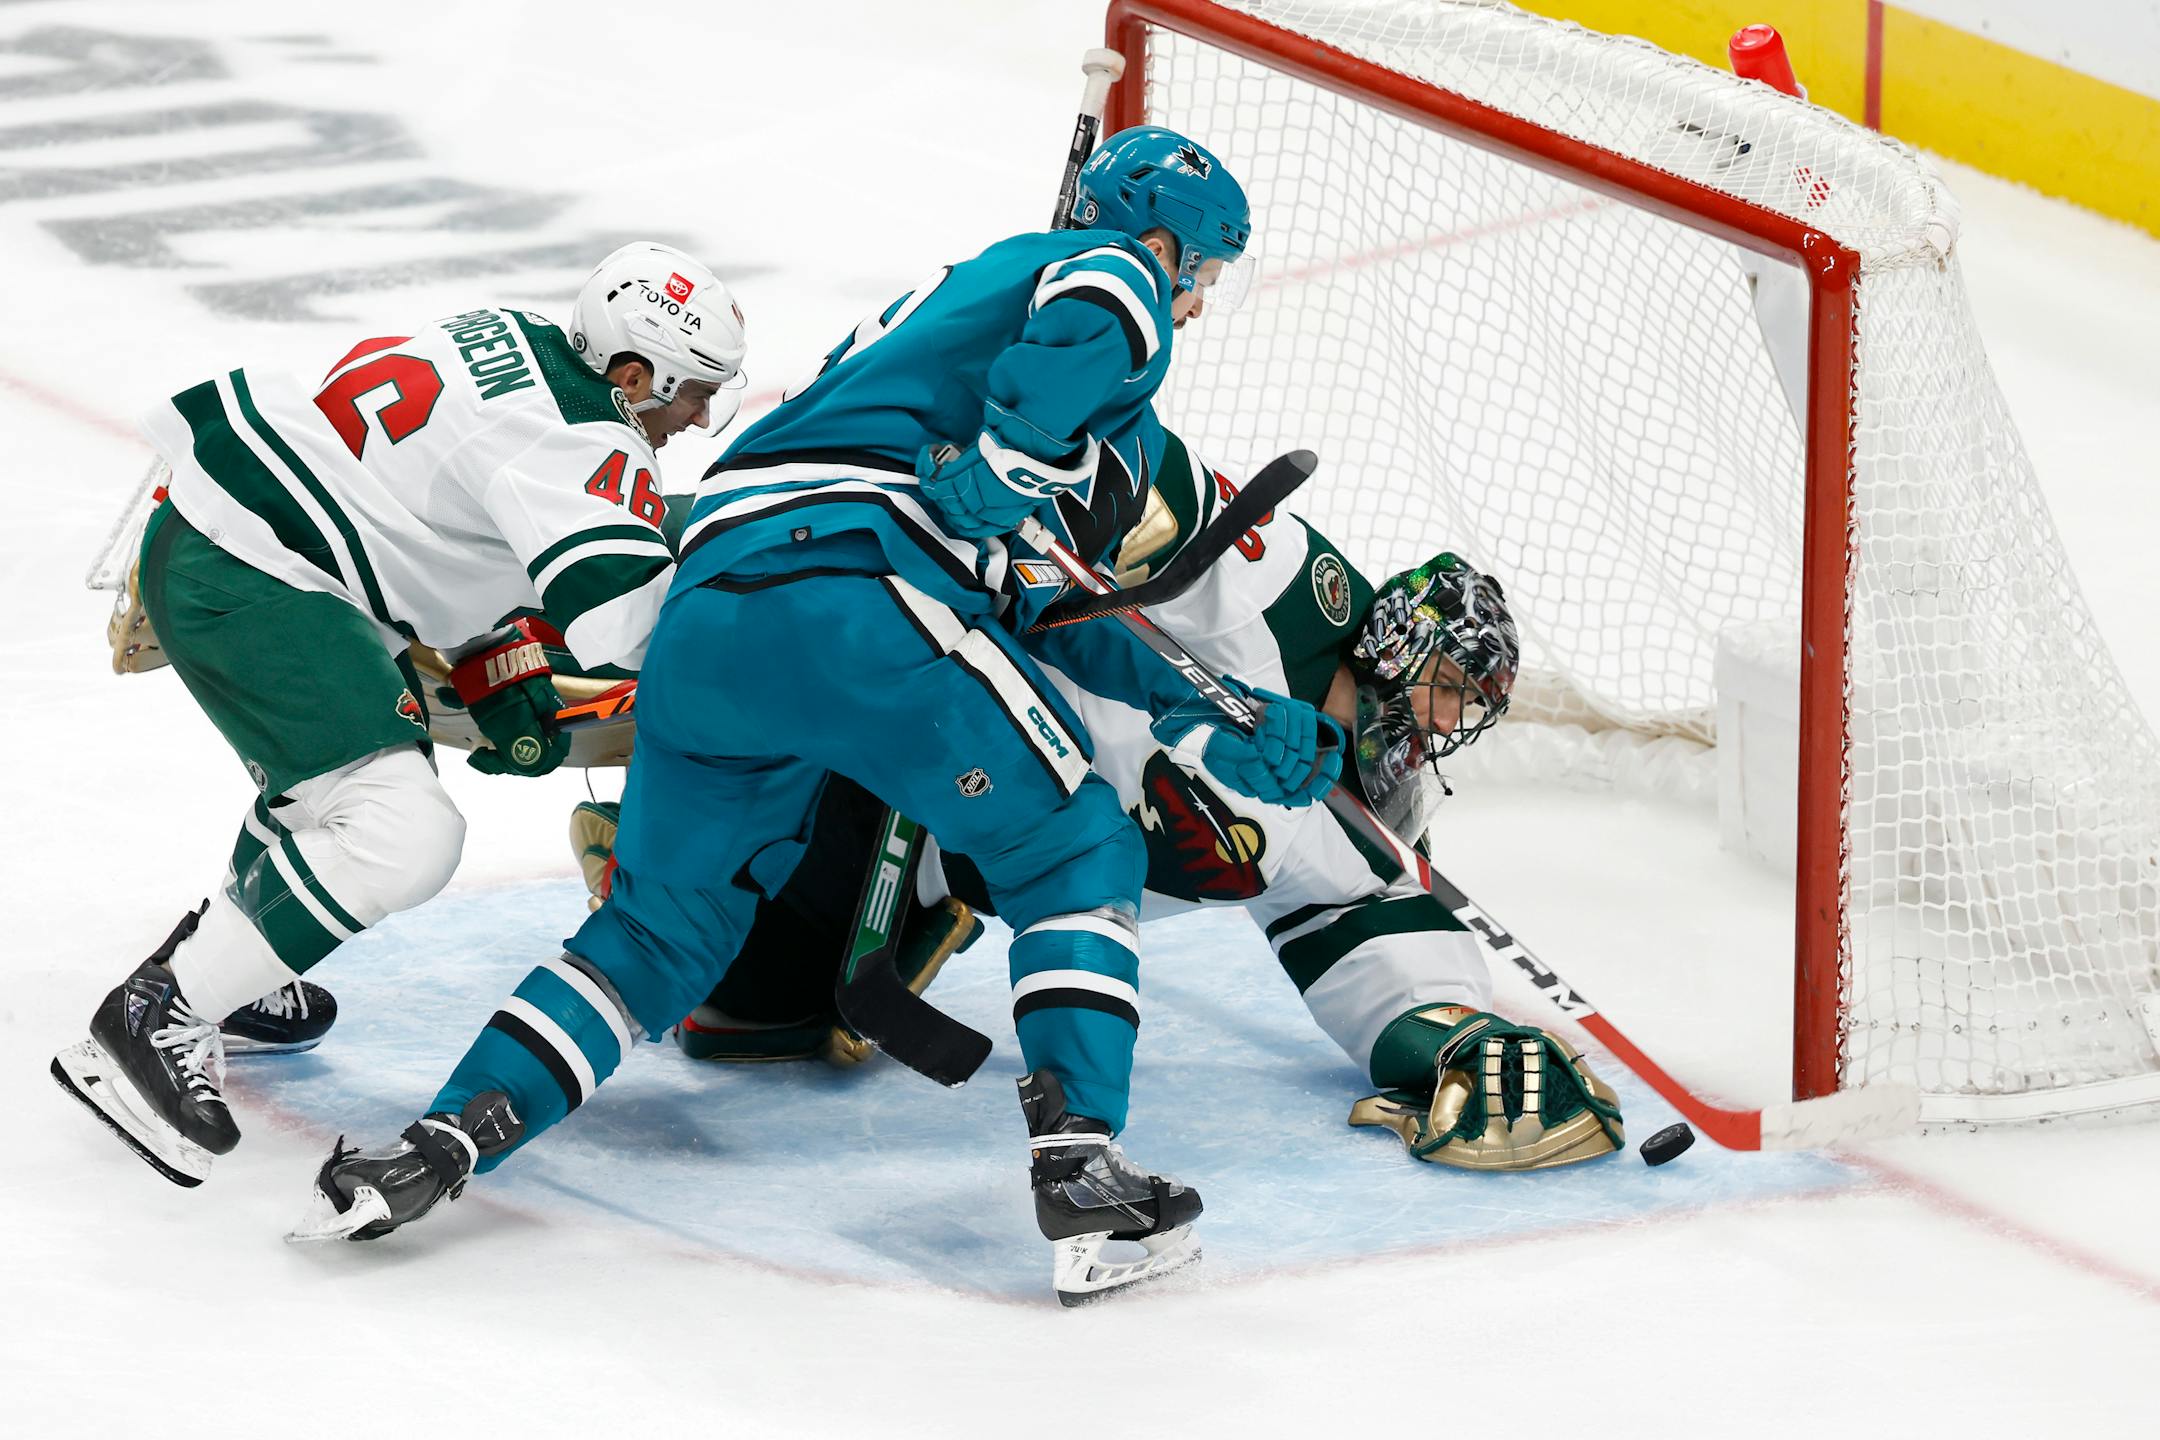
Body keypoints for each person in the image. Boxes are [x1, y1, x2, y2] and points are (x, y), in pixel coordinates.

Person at [294, 128, 1334, 1305]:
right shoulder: (1100, 273)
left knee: (655, 939)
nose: (1195, 301)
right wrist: (1014, 457)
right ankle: (1082, 1164)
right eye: (1200, 271)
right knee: (1076, 841)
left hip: (713, 624)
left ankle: (437, 1146)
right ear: (1162, 239)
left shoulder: (938, 346)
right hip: (856, 597)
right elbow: (1097, 311)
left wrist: (1219, 712)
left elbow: (1052, 606)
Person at [616, 425, 1624, 1172]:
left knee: (758, 1027)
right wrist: (1040, 469)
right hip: (909, 704)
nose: (1446, 721)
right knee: (725, 950)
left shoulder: (1368, 819)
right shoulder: (1293, 590)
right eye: (1448, 687)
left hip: (975, 837)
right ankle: (663, 810)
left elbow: (1378, 947)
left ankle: (882, 894)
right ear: (1396, 650)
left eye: (1468, 708)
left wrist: (1459, 1039)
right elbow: (1143, 466)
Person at [51, 242, 750, 1188]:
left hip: (238, 533)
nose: (700, 415)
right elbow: (632, 628)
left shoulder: (515, 334)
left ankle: (232, 963)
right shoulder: (584, 437)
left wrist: (490, 643)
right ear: (634, 374)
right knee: (399, 832)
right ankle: (155, 1016)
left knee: (335, 778)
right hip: (258, 575)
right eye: (693, 391)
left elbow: (450, 505)